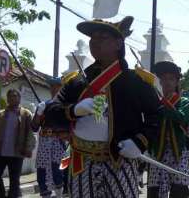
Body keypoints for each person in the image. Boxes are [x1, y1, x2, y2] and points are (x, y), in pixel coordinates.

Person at [44, 16, 162, 198]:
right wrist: (74, 110)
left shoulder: (135, 81)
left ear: (118, 43)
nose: (95, 42)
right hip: (81, 161)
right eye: (93, 38)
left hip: (119, 160)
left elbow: (156, 115)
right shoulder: (76, 82)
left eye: (102, 37)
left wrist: (139, 142)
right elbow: (51, 113)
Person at [147, 61, 189, 198]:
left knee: (179, 191)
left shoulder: (184, 102)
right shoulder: (155, 102)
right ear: (160, 82)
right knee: (154, 191)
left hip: (178, 152)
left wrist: (166, 105)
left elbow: (181, 118)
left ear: (177, 82)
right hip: (158, 151)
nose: (167, 82)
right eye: (164, 79)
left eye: (171, 79)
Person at [0, 89, 36, 198]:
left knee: (14, 182)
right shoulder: (1, 114)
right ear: (7, 99)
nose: (12, 98)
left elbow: (31, 133)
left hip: (17, 153)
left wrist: (29, 148)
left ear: (19, 98)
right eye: (10, 96)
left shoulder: (26, 114)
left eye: (15, 96)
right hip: (0, 152)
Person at [32, 78, 67, 198]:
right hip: (44, 144)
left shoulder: (66, 106)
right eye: (52, 86)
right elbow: (34, 127)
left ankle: (59, 195)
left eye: (57, 86)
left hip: (59, 143)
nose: (54, 89)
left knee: (58, 171)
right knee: (42, 172)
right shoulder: (43, 105)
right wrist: (38, 114)